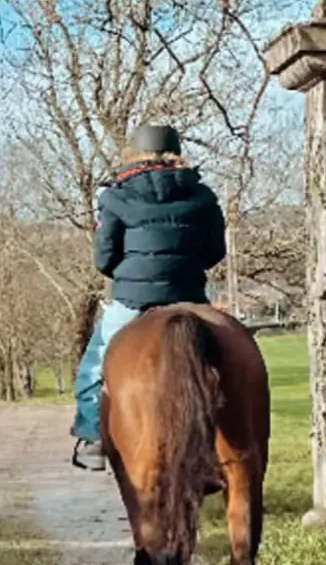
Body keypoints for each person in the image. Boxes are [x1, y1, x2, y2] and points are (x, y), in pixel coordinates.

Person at [71, 123, 227, 471]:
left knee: (94, 367)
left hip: (133, 297)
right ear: (177, 153)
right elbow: (215, 251)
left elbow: (103, 258)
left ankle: (92, 436)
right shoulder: (203, 195)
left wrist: (129, 276)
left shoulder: (115, 196)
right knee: (229, 358)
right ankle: (225, 441)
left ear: (135, 154)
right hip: (190, 296)